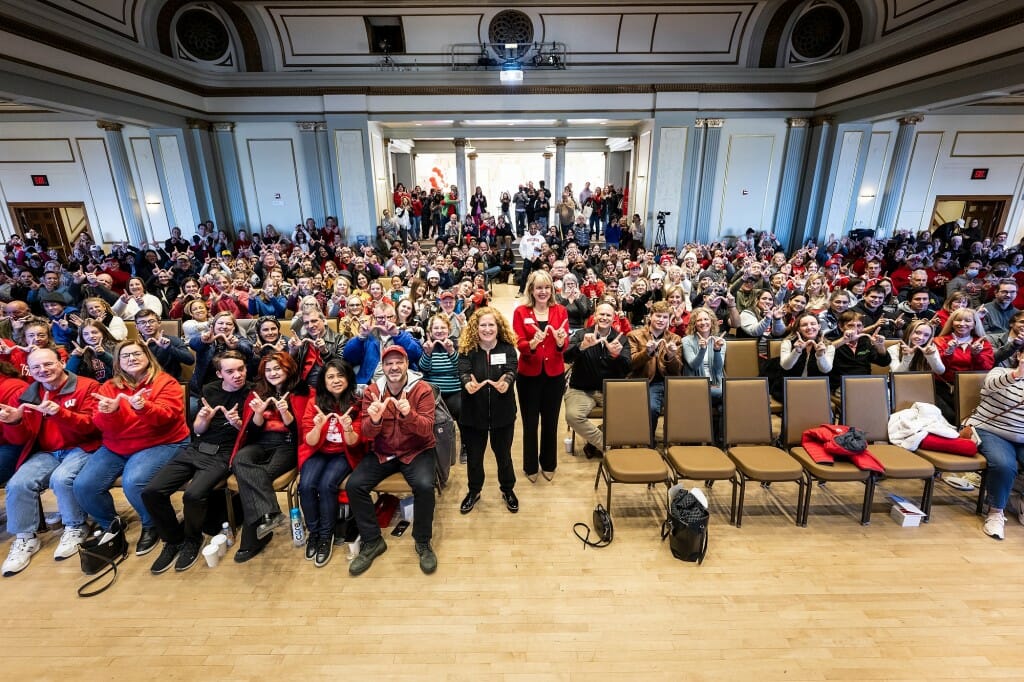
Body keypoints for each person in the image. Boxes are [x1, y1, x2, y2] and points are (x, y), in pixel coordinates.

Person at [73, 340, 190, 557]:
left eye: (136, 353)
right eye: (125, 356)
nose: (131, 359)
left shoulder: (165, 382)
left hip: (162, 441)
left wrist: (144, 407)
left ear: (148, 356)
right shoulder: (108, 387)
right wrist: (110, 412)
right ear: (117, 362)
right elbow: (98, 423)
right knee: (84, 485)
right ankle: (111, 524)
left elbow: (166, 418)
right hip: (117, 445)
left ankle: (151, 523)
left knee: (134, 481)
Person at [142, 350, 249, 575]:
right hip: (197, 448)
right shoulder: (209, 390)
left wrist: (238, 424)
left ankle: (192, 539)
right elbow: (199, 431)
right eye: (230, 371)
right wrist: (202, 420)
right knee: (152, 491)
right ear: (220, 374)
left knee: (192, 495)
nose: (237, 375)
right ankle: (172, 540)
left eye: (241, 369)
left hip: (225, 453)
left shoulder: (251, 393)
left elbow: (253, 437)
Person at [0, 348, 100, 577]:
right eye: (35, 367)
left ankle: (76, 526)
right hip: (46, 451)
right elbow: (22, 439)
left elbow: (93, 427)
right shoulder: (28, 394)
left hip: (82, 447)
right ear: (30, 371)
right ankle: (25, 538)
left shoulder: (87, 386)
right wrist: (14, 422)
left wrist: (60, 414)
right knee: (17, 484)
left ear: (62, 362)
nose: (42, 370)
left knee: (62, 478)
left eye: (48, 364)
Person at [346, 345, 438, 576]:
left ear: (407, 364)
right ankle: (372, 540)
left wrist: (409, 415)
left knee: (426, 486)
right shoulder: (372, 391)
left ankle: (423, 540)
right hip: (383, 452)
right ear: (382, 367)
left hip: (417, 451)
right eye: (389, 363)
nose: (394, 367)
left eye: (399, 362)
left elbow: (427, 430)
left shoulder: (422, 389)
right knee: (355, 485)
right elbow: (367, 433)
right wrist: (375, 420)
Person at [229, 351, 309, 563]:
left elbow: (301, 430)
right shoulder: (257, 393)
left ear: (288, 368)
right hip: (261, 442)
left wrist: (285, 413)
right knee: (240, 461)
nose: (273, 373)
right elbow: (251, 433)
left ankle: (254, 537)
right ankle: (270, 513)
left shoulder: (303, 391)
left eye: (277, 368)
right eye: (268, 370)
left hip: (288, 444)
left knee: (255, 478)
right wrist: (257, 414)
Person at [299, 359, 363, 567]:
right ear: (323, 381)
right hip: (317, 450)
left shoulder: (357, 402)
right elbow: (309, 441)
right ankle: (314, 533)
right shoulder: (314, 402)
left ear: (348, 378)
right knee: (306, 485)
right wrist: (317, 427)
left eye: (340, 375)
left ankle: (327, 535)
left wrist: (348, 428)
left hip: (343, 453)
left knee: (327, 485)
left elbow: (354, 444)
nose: (336, 380)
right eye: (330, 376)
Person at [457, 307, 519, 514]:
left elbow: (512, 368)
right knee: (474, 458)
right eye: (482, 324)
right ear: (475, 327)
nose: (487, 328)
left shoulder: (507, 348)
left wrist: (507, 381)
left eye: (491, 324)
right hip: (473, 414)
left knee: (504, 456)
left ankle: (508, 489)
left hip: (503, 413)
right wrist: (467, 383)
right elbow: (463, 371)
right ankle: (474, 491)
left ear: (498, 326)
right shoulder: (467, 349)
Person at [513, 271, 568, 482]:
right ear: (531, 290)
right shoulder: (521, 312)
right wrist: (533, 344)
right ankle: (530, 466)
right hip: (529, 375)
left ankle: (549, 462)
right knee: (530, 422)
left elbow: (564, 344)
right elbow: (519, 343)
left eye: (546, 287)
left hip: (554, 374)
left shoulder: (560, 310)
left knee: (551, 421)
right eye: (538, 288)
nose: (543, 292)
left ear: (551, 290)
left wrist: (561, 342)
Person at [965, 354, 1024, 540]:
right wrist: (1017, 374)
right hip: (991, 430)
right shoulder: (1001, 371)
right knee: (1004, 465)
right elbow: (988, 386)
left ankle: (1016, 500)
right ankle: (995, 513)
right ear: (1019, 355)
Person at [563, 301, 630, 459]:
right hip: (580, 390)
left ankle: (592, 444)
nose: (604, 317)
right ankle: (606, 446)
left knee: (629, 414)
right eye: (601, 314)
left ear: (613, 318)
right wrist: (582, 347)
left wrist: (616, 356)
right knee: (573, 416)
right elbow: (565, 356)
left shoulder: (621, 339)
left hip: (610, 391)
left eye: (608, 315)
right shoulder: (581, 334)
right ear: (594, 316)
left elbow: (627, 367)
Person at [627, 300, 684, 441]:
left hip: (670, 383)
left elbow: (678, 369)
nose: (661, 320)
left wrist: (671, 356)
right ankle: (648, 440)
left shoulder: (675, 338)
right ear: (650, 316)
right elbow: (632, 364)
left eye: (665, 317)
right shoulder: (634, 335)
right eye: (658, 316)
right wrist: (647, 352)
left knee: (687, 406)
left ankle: (676, 441)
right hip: (647, 381)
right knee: (652, 408)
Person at [681, 307, 727, 400]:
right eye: (699, 320)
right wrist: (702, 349)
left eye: (706, 319)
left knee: (726, 396)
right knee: (723, 393)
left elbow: (718, 368)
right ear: (694, 324)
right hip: (695, 383)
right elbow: (693, 365)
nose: (703, 323)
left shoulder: (720, 341)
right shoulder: (686, 341)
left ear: (712, 322)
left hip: (715, 382)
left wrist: (717, 350)